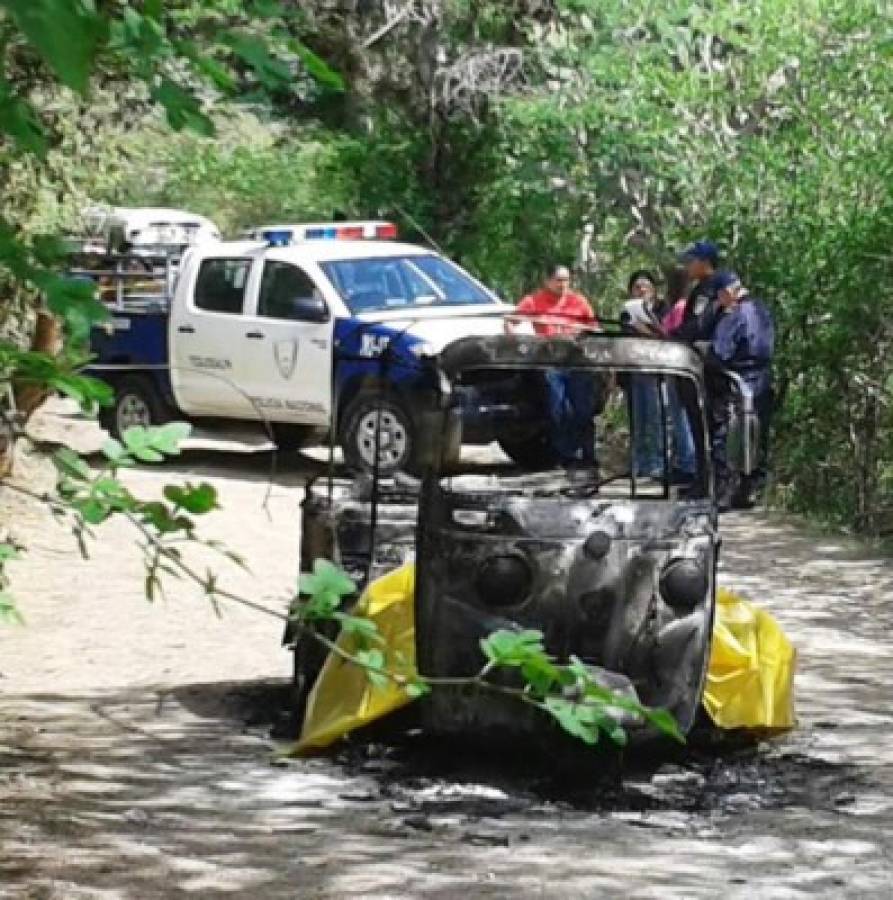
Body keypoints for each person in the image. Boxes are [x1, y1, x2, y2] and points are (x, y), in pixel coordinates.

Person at [508, 264, 599, 469]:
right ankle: (564, 455)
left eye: (566, 280)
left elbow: (593, 326)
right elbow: (510, 321)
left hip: (576, 361)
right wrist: (517, 341)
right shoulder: (535, 300)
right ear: (548, 281)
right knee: (558, 409)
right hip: (550, 361)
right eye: (558, 280)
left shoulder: (578, 301)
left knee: (582, 409)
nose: (562, 285)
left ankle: (587, 454)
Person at [704, 272, 775, 509]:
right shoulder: (762, 311)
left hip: (737, 381)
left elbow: (720, 352)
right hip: (762, 381)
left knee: (727, 434)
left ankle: (725, 492)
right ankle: (750, 489)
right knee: (758, 435)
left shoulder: (734, 316)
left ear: (726, 293)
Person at [675, 241, 729, 344]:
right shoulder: (698, 290)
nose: (686, 265)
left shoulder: (724, 281)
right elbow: (691, 321)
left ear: (705, 262)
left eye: (690, 261)